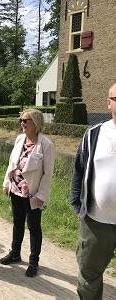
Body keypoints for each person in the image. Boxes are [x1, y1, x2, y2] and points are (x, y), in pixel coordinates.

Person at [71, 83, 116, 299]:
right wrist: (77, 203)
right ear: (109, 103)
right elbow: (79, 169)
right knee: (89, 276)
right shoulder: (94, 134)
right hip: (96, 221)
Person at [0, 108, 55, 277]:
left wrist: (41, 196)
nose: (22, 123)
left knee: (34, 227)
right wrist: (6, 183)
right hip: (16, 190)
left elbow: (48, 173)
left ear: (36, 123)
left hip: (33, 195)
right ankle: (15, 253)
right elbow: (11, 163)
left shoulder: (46, 144)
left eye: (26, 120)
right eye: (21, 120)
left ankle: (33, 261)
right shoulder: (19, 139)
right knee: (17, 222)